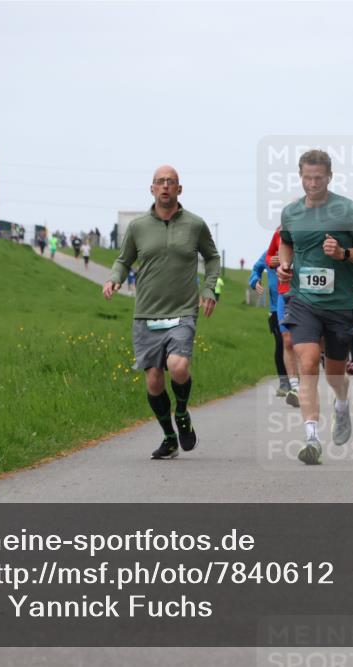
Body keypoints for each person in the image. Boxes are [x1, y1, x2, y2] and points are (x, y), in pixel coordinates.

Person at [103, 165, 220, 459]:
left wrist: (209, 289)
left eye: (171, 181)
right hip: (146, 314)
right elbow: (123, 260)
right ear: (152, 188)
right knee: (154, 381)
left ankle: (181, 413)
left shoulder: (195, 225)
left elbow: (212, 258)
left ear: (179, 189)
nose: (165, 185)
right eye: (160, 181)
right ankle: (169, 437)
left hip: (183, 311)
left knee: (178, 367)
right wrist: (114, 278)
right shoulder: (138, 227)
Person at [276, 149, 353, 465]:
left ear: (330, 177)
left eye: (318, 178)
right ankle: (311, 438)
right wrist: (285, 265)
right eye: (307, 177)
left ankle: (342, 404)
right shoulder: (291, 212)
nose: (312, 184)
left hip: (338, 305)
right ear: (300, 176)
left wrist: (345, 254)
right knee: (307, 360)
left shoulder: (347, 210)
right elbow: (286, 242)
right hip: (303, 301)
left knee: (335, 374)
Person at [267, 226, 300, 407]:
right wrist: (272, 261)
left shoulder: (312, 229)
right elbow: (269, 257)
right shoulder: (279, 233)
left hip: (306, 293)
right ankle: (294, 386)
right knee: (287, 340)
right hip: (284, 292)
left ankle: (305, 382)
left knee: (305, 342)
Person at [249, 250, 290, 396]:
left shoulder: (296, 250)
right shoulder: (269, 254)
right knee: (280, 344)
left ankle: (298, 380)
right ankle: (284, 382)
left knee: (296, 344)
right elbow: (256, 269)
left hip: (298, 304)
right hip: (275, 308)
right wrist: (255, 281)